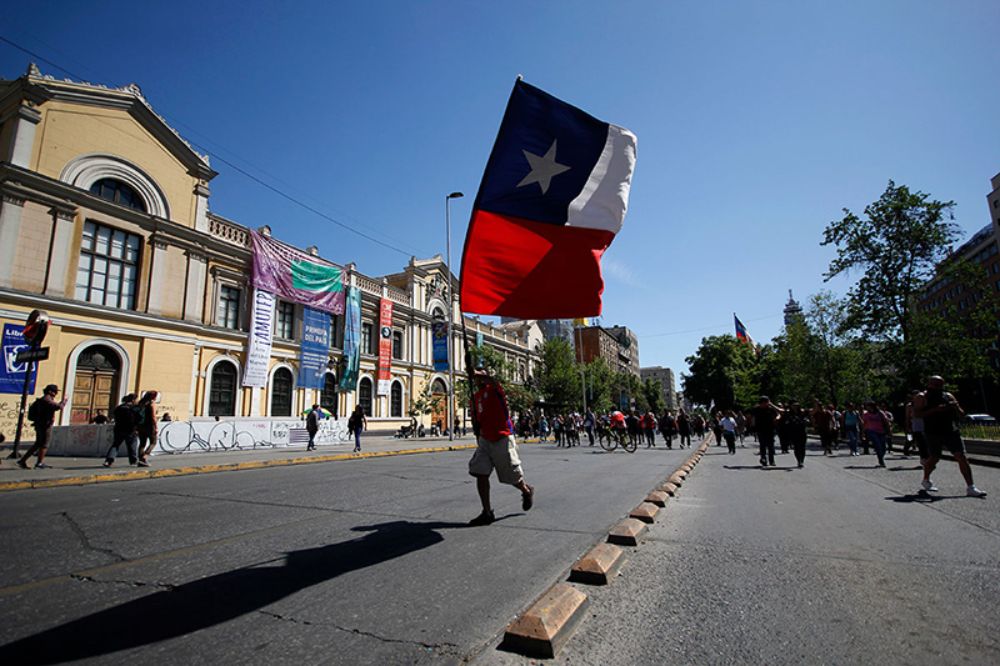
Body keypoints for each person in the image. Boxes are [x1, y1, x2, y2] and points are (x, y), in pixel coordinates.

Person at [467, 369, 534, 525]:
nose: (479, 379)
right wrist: (476, 429)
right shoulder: (474, 397)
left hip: (501, 437)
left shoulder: (496, 390)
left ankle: (526, 490)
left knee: (511, 476)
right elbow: (475, 417)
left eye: (481, 375)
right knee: (480, 472)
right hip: (485, 439)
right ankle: (487, 512)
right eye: (477, 376)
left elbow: (493, 381)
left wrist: (478, 373)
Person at [915, 376, 986, 497]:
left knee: (961, 456)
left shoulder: (948, 396)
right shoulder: (922, 397)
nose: (937, 387)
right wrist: (936, 410)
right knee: (934, 458)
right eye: (934, 384)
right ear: (929, 384)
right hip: (932, 432)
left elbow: (962, 414)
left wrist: (955, 407)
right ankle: (926, 478)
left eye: (940, 384)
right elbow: (917, 414)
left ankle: (971, 487)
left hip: (951, 430)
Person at [18, 384, 66, 470]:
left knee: (38, 444)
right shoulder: (46, 399)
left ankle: (23, 460)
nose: (56, 393)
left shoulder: (44, 399)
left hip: (40, 424)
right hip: (44, 425)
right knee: (44, 444)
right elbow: (58, 407)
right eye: (55, 392)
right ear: (50, 391)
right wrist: (64, 401)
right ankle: (39, 462)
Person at [104, 393, 139, 467]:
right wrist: (136, 428)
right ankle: (133, 461)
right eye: (136, 399)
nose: (137, 401)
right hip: (130, 430)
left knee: (116, 445)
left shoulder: (119, 407)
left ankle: (109, 460)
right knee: (132, 446)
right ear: (133, 400)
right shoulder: (133, 408)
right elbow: (134, 420)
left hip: (118, 428)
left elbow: (115, 417)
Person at [750, 396, 782, 467]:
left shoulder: (771, 409)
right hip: (760, 429)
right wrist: (752, 426)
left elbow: (779, 414)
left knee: (771, 445)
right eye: (765, 402)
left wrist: (777, 418)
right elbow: (752, 417)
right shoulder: (756, 409)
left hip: (770, 428)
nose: (766, 404)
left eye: (767, 402)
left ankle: (772, 461)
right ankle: (763, 458)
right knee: (762, 444)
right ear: (761, 403)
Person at [861, 401, 891, 467]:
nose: (867, 407)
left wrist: (889, 431)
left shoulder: (880, 413)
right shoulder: (866, 414)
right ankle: (881, 461)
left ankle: (881, 457)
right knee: (878, 446)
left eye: (868, 406)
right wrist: (863, 433)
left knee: (883, 447)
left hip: (881, 431)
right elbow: (864, 424)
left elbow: (886, 422)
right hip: (871, 431)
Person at [135, 391, 159, 464]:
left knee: (142, 443)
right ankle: (144, 456)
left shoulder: (141, 403)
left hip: (141, 426)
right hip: (150, 426)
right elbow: (153, 417)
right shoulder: (152, 404)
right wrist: (156, 427)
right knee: (153, 442)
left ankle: (140, 459)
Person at [786, 402, 810, 468]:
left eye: (797, 406)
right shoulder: (789, 413)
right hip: (794, 433)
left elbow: (808, 417)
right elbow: (781, 412)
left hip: (802, 432)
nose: (795, 407)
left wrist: (806, 421)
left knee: (802, 447)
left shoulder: (803, 413)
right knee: (796, 448)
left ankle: (802, 461)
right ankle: (798, 461)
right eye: (794, 406)